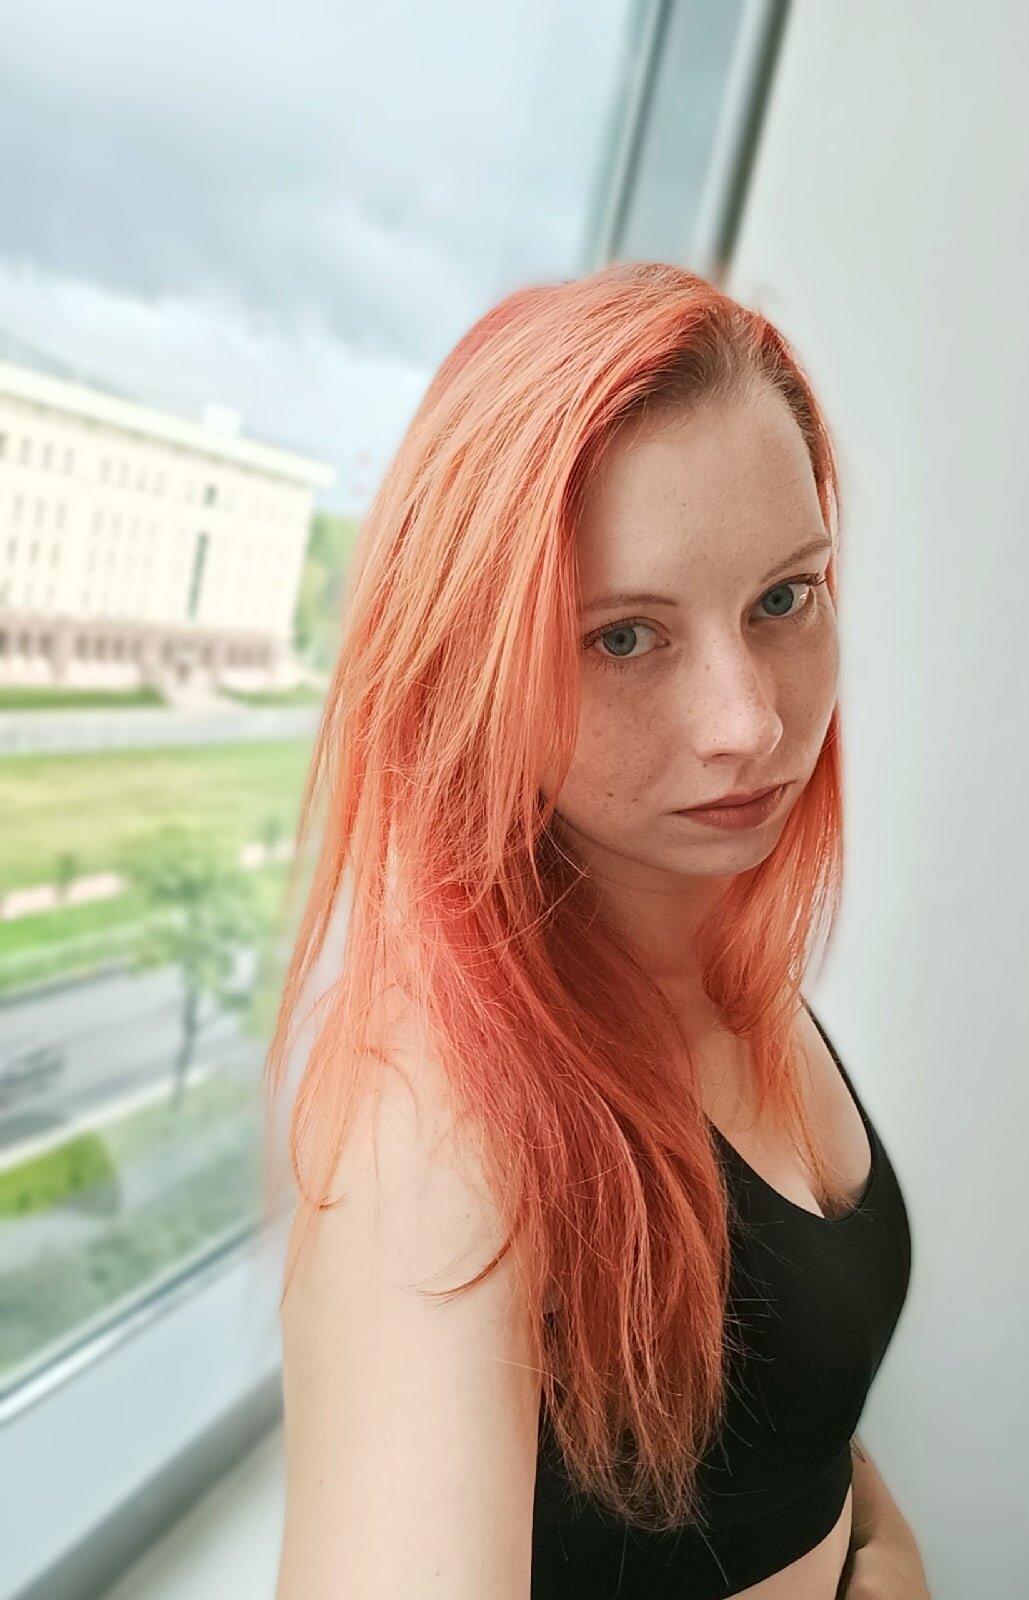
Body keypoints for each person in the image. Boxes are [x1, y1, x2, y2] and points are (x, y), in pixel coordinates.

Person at [265, 261, 928, 1599]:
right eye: (625, 638)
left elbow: (787, 1413)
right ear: (471, 665)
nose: (748, 722)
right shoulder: (434, 1126)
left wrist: (885, 1543)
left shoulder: (710, 947)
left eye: (783, 599)